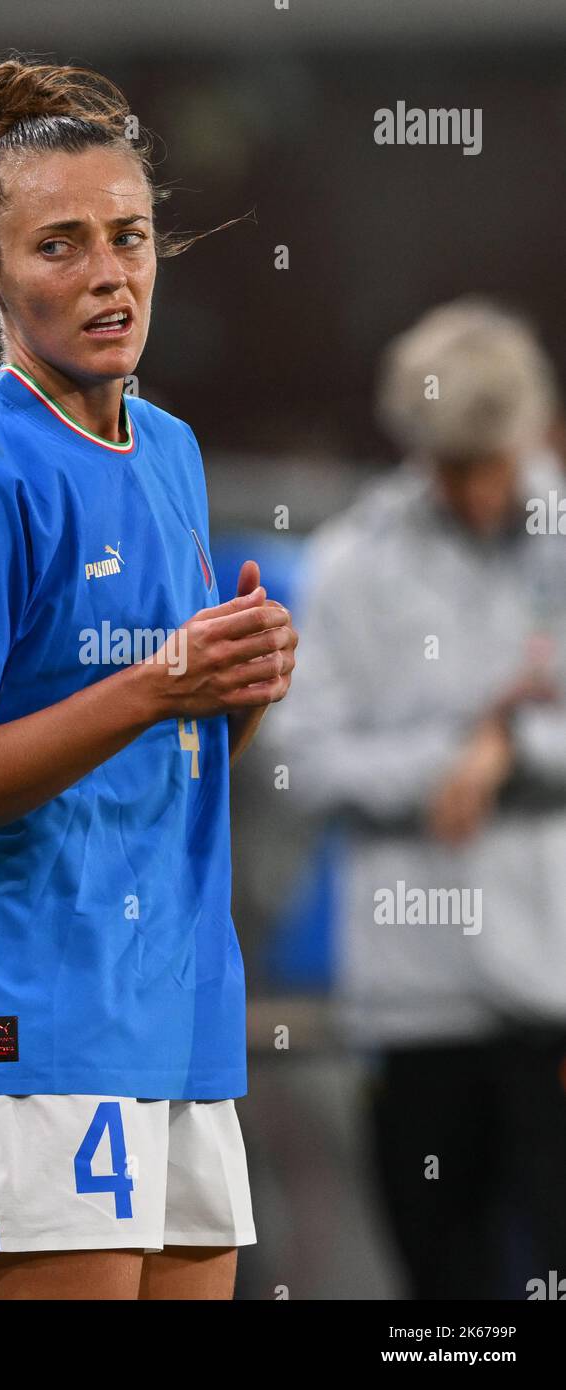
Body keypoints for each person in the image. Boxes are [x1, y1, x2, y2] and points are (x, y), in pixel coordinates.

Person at [0, 55, 297, 1301]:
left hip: (177, 1012)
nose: (109, 273)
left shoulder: (167, 449)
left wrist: (234, 690)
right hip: (28, 1022)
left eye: (130, 236)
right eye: (60, 245)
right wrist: (161, 684)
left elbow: (151, 755)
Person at [278, 296, 566, 1299]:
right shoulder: (350, 563)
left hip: (551, 995)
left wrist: (510, 751)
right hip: (413, 1003)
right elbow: (303, 756)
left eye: (489, 462)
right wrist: (453, 755)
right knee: (443, 1306)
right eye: (452, 466)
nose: (477, 490)